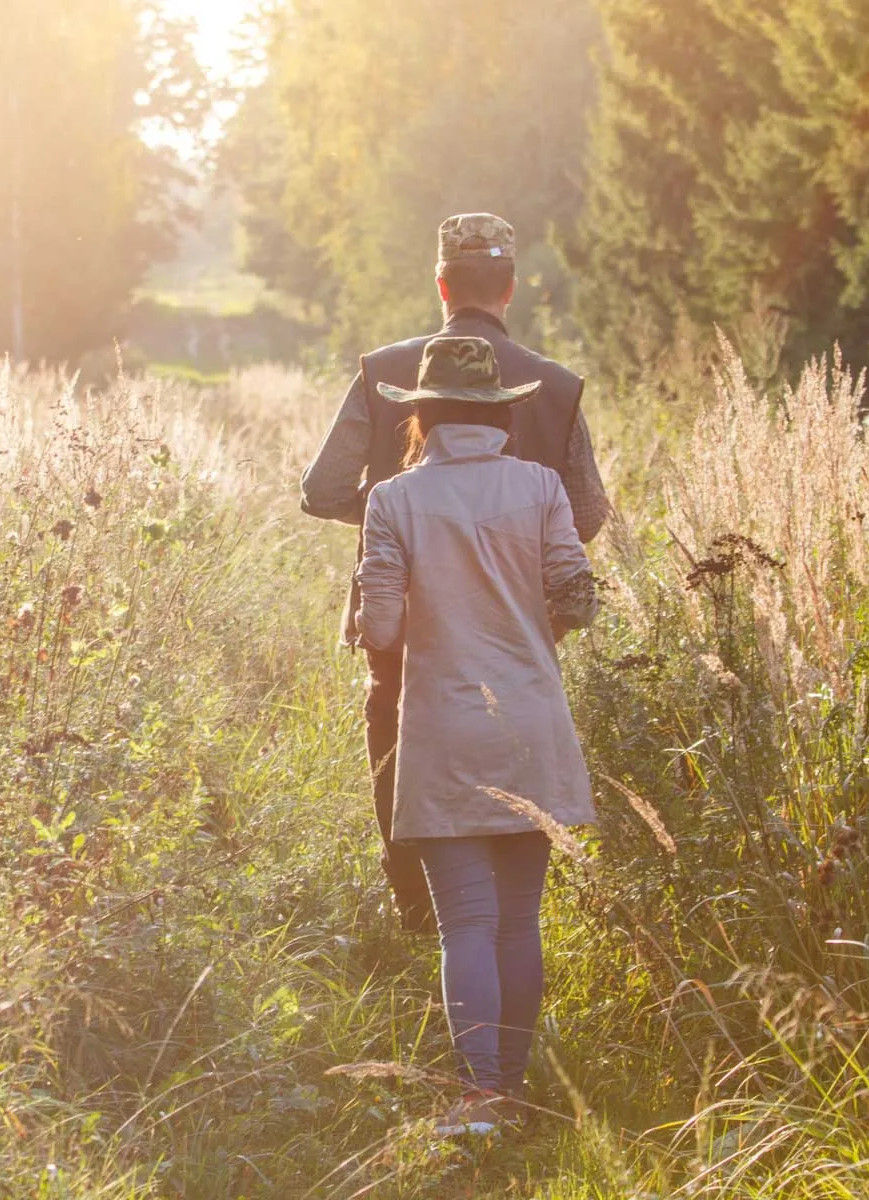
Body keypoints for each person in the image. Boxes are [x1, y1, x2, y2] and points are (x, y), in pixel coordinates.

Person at [300, 213, 609, 934]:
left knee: (400, 745)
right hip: (519, 627)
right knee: (513, 752)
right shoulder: (557, 386)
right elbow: (587, 513)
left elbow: (321, 490)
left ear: (441, 284)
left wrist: (405, 526)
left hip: (404, 628)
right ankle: (501, 922)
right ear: (510, 288)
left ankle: (419, 914)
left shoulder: (383, 371)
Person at [355, 334, 600, 1137]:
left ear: (419, 415)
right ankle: (515, 1089)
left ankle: (482, 1095)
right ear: (497, 413)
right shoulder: (539, 486)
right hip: (531, 720)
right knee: (518, 917)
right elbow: (576, 600)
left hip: (446, 727)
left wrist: (378, 606)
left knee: (465, 917)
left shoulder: (391, 501)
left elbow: (383, 630)